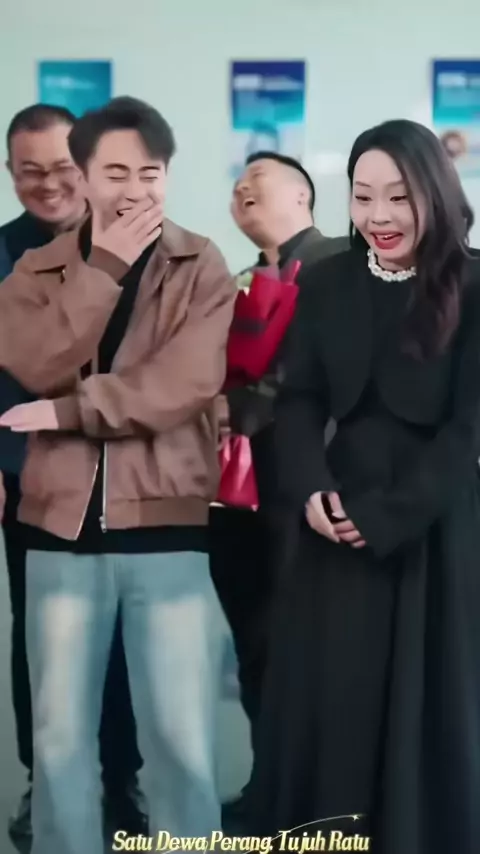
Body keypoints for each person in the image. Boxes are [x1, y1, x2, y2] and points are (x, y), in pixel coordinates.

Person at [0, 96, 235, 854]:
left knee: (180, 734)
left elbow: (184, 385)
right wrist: (101, 268)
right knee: (59, 738)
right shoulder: (38, 269)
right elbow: (34, 361)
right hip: (57, 528)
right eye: (115, 173)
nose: (135, 189)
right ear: (85, 177)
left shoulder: (201, 263)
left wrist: (68, 412)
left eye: (150, 173)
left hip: (166, 523)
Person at [247, 119, 480, 854]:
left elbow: (469, 432)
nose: (379, 215)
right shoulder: (327, 280)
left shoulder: (475, 284)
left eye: (399, 197)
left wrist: (388, 516)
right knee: (331, 706)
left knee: (427, 706)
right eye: (363, 195)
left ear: (435, 195)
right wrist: (312, 491)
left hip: (431, 530)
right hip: (332, 523)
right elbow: (298, 399)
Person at [0, 103, 146, 844]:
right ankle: (47, 782)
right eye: (30, 171)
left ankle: (121, 780)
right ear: (10, 173)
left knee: (129, 637)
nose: (49, 184)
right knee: (45, 640)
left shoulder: (144, 246)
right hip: (33, 482)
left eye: (63, 167)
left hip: (133, 480)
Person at [210, 151, 348, 825]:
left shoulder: (339, 266)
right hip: (239, 498)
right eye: (236, 186)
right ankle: (270, 786)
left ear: (302, 194)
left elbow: (318, 377)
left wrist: (233, 406)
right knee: (255, 647)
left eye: (256, 180)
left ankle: (322, 797)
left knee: (311, 651)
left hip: (310, 494)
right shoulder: (239, 282)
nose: (242, 191)